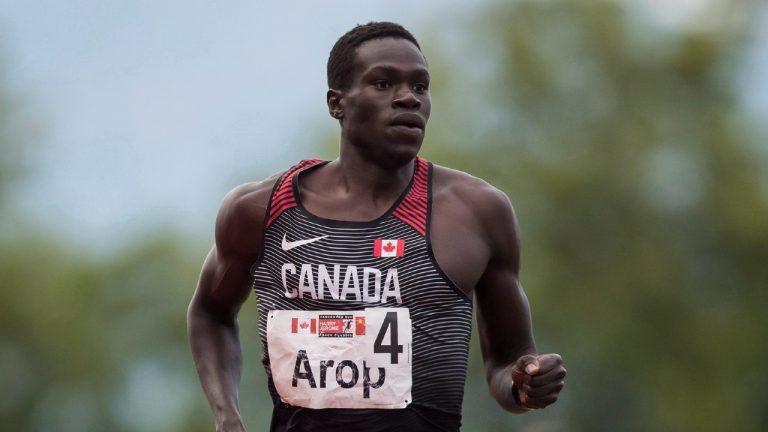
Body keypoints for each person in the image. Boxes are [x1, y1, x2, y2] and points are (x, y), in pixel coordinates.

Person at [187, 21, 566, 432]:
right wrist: (227, 417)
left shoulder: (476, 212)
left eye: (420, 87)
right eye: (383, 84)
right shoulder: (261, 210)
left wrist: (525, 383)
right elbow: (210, 310)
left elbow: (507, 363)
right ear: (337, 103)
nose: (408, 99)